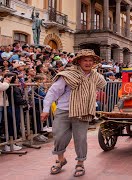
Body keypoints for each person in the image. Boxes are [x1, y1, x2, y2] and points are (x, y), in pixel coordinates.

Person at [40, 49, 107, 177]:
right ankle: (60, 160)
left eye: (90, 61)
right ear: (79, 62)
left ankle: (80, 163)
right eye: (85, 60)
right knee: (59, 136)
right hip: (64, 110)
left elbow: (99, 86)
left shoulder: (97, 77)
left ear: (94, 62)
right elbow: (53, 92)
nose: (88, 63)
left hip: (83, 112)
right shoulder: (68, 75)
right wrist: (45, 110)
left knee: (80, 139)